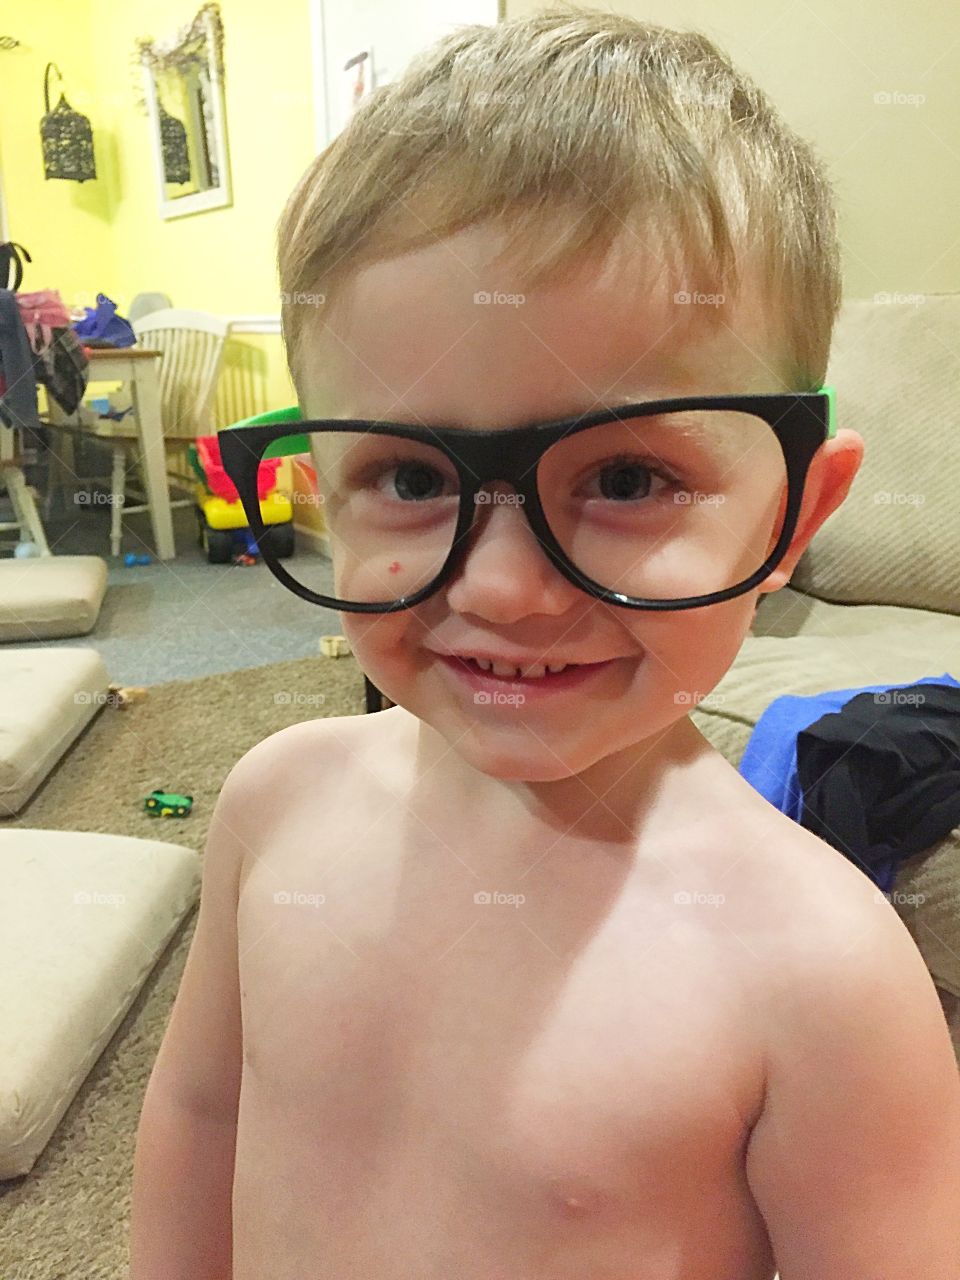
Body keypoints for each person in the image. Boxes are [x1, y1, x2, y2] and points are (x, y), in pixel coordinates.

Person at [128, 8, 960, 1278]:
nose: (505, 588)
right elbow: (202, 1115)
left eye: (628, 474)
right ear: (316, 489)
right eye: (410, 471)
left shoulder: (828, 974)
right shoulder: (271, 803)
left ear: (797, 509)